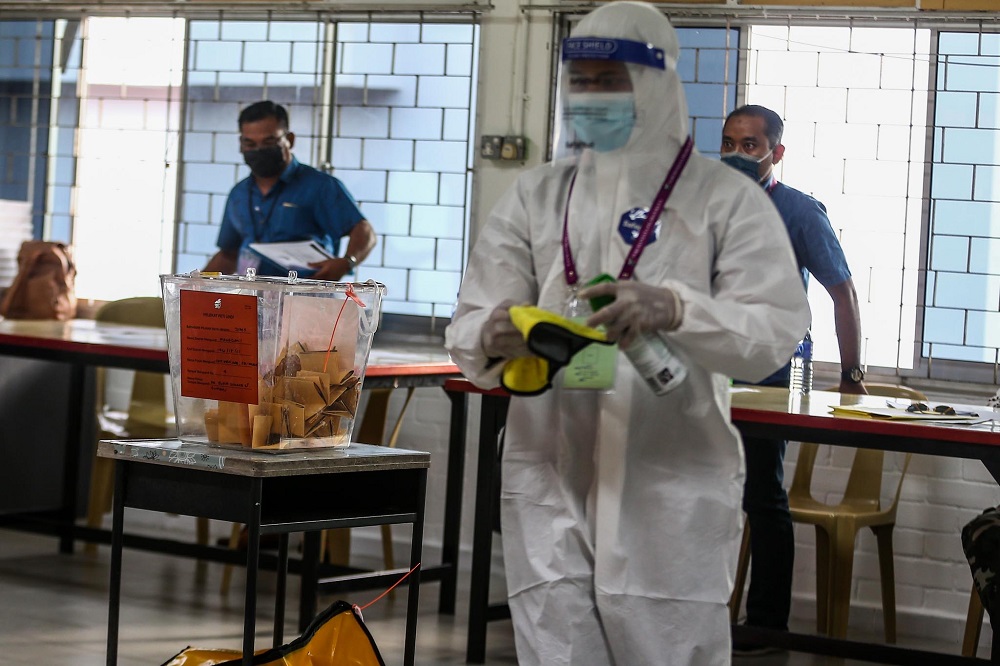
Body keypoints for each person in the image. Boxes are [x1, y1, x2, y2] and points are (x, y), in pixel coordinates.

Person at [444, 3, 810, 664]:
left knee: (664, 645)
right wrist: (492, 332)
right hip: (547, 468)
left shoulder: (724, 200)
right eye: (580, 80)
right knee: (555, 642)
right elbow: (471, 320)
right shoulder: (537, 196)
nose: (591, 95)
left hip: (668, 478)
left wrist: (678, 310)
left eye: (610, 78)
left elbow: (776, 333)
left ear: (659, 82)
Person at [720, 104, 868, 652]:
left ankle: (765, 624)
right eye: (729, 144)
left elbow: (843, 292)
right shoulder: (709, 208)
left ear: (775, 152)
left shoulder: (800, 211)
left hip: (784, 369)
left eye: (750, 145)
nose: (738, 154)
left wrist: (852, 376)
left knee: (763, 489)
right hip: (716, 364)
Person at [204, 100, 375, 279]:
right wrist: (194, 288)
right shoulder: (238, 194)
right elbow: (228, 255)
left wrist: (347, 261)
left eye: (269, 142)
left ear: (289, 140)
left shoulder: (320, 186)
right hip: (251, 300)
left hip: (307, 300)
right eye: (250, 144)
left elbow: (364, 231)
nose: (259, 150)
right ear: (241, 144)